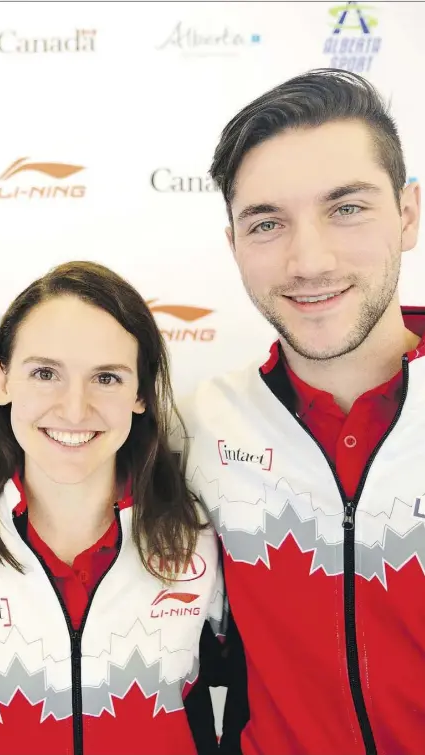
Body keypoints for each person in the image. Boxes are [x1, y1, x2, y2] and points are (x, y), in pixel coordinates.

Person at [172, 69, 425, 755]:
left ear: (407, 215)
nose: (307, 259)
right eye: (265, 222)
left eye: (346, 208)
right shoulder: (200, 426)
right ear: (233, 245)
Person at [0, 261, 224, 755]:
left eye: (107, 378)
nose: (74, 409)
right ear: (2, 380)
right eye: (45, 373)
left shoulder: (203, 536)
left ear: (140, 393)